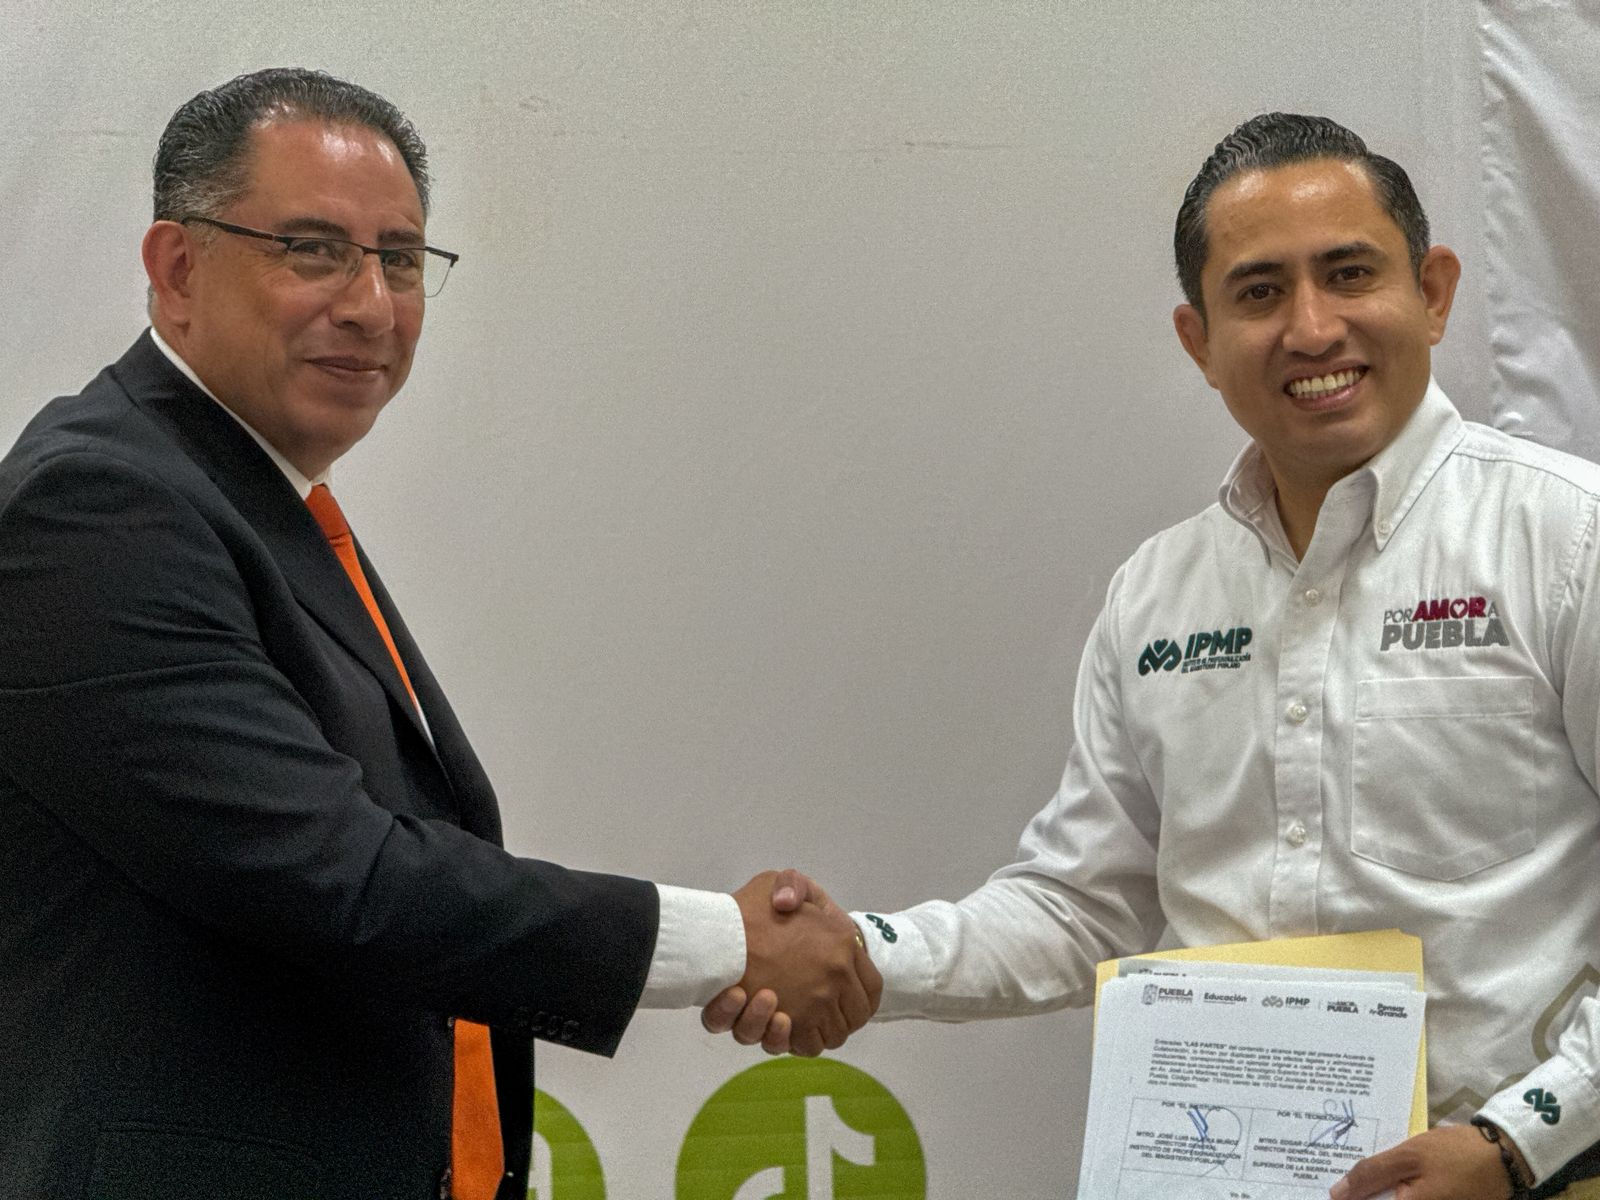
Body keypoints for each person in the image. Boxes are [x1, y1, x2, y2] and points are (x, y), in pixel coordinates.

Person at [0, 68, 877, 1200]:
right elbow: (341, 877)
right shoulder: (97, 505)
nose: (371, 305)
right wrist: (727, 942)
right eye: (313, 249)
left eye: (402, 260)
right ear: (177, 270)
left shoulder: (249, 498)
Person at [707, 113, 1600, 1199]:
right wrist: (861, 951)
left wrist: (1517, 1143)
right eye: (1259, 292)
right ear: (1199, 340)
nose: (1312, 327)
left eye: (1349, 273)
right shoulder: (1157, 592)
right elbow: (1080, 906)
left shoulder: (1569, 541)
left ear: (1434, 292)